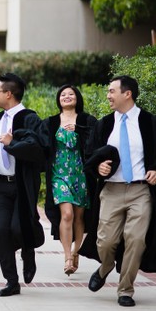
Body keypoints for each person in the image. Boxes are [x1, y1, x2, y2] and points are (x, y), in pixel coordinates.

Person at [81, 75, 156, 307]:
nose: (108, 95)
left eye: (112, 91)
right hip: (111, 190)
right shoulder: (104, 125)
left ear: (127, 94)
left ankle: (125, 289)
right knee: (105, 242)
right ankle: (105, 267)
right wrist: (99, 167)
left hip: (140, 192)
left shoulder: (150, 123)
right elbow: (90, 155)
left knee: (136, 239)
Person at [0, 73, 48, 297]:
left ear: (9, 94)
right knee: (1, 230)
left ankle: (28, 249)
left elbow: (38, 150)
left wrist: (13, 144)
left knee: (17, 227)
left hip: (21, 185)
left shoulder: (30, 119)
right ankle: (11, 281)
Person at [42, 84, 97, 276]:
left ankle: (76, 252)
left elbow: (96, 139)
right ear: (58, 99)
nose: (66, 97)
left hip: (81, 173)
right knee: (66, 214)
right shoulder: (50, 122)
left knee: (79, 216)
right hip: (59, 174)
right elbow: (41, 145)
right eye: (63, 94)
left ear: (77, 98)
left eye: (71, 94)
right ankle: (67, 256)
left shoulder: (87, 120)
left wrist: (79, 129)